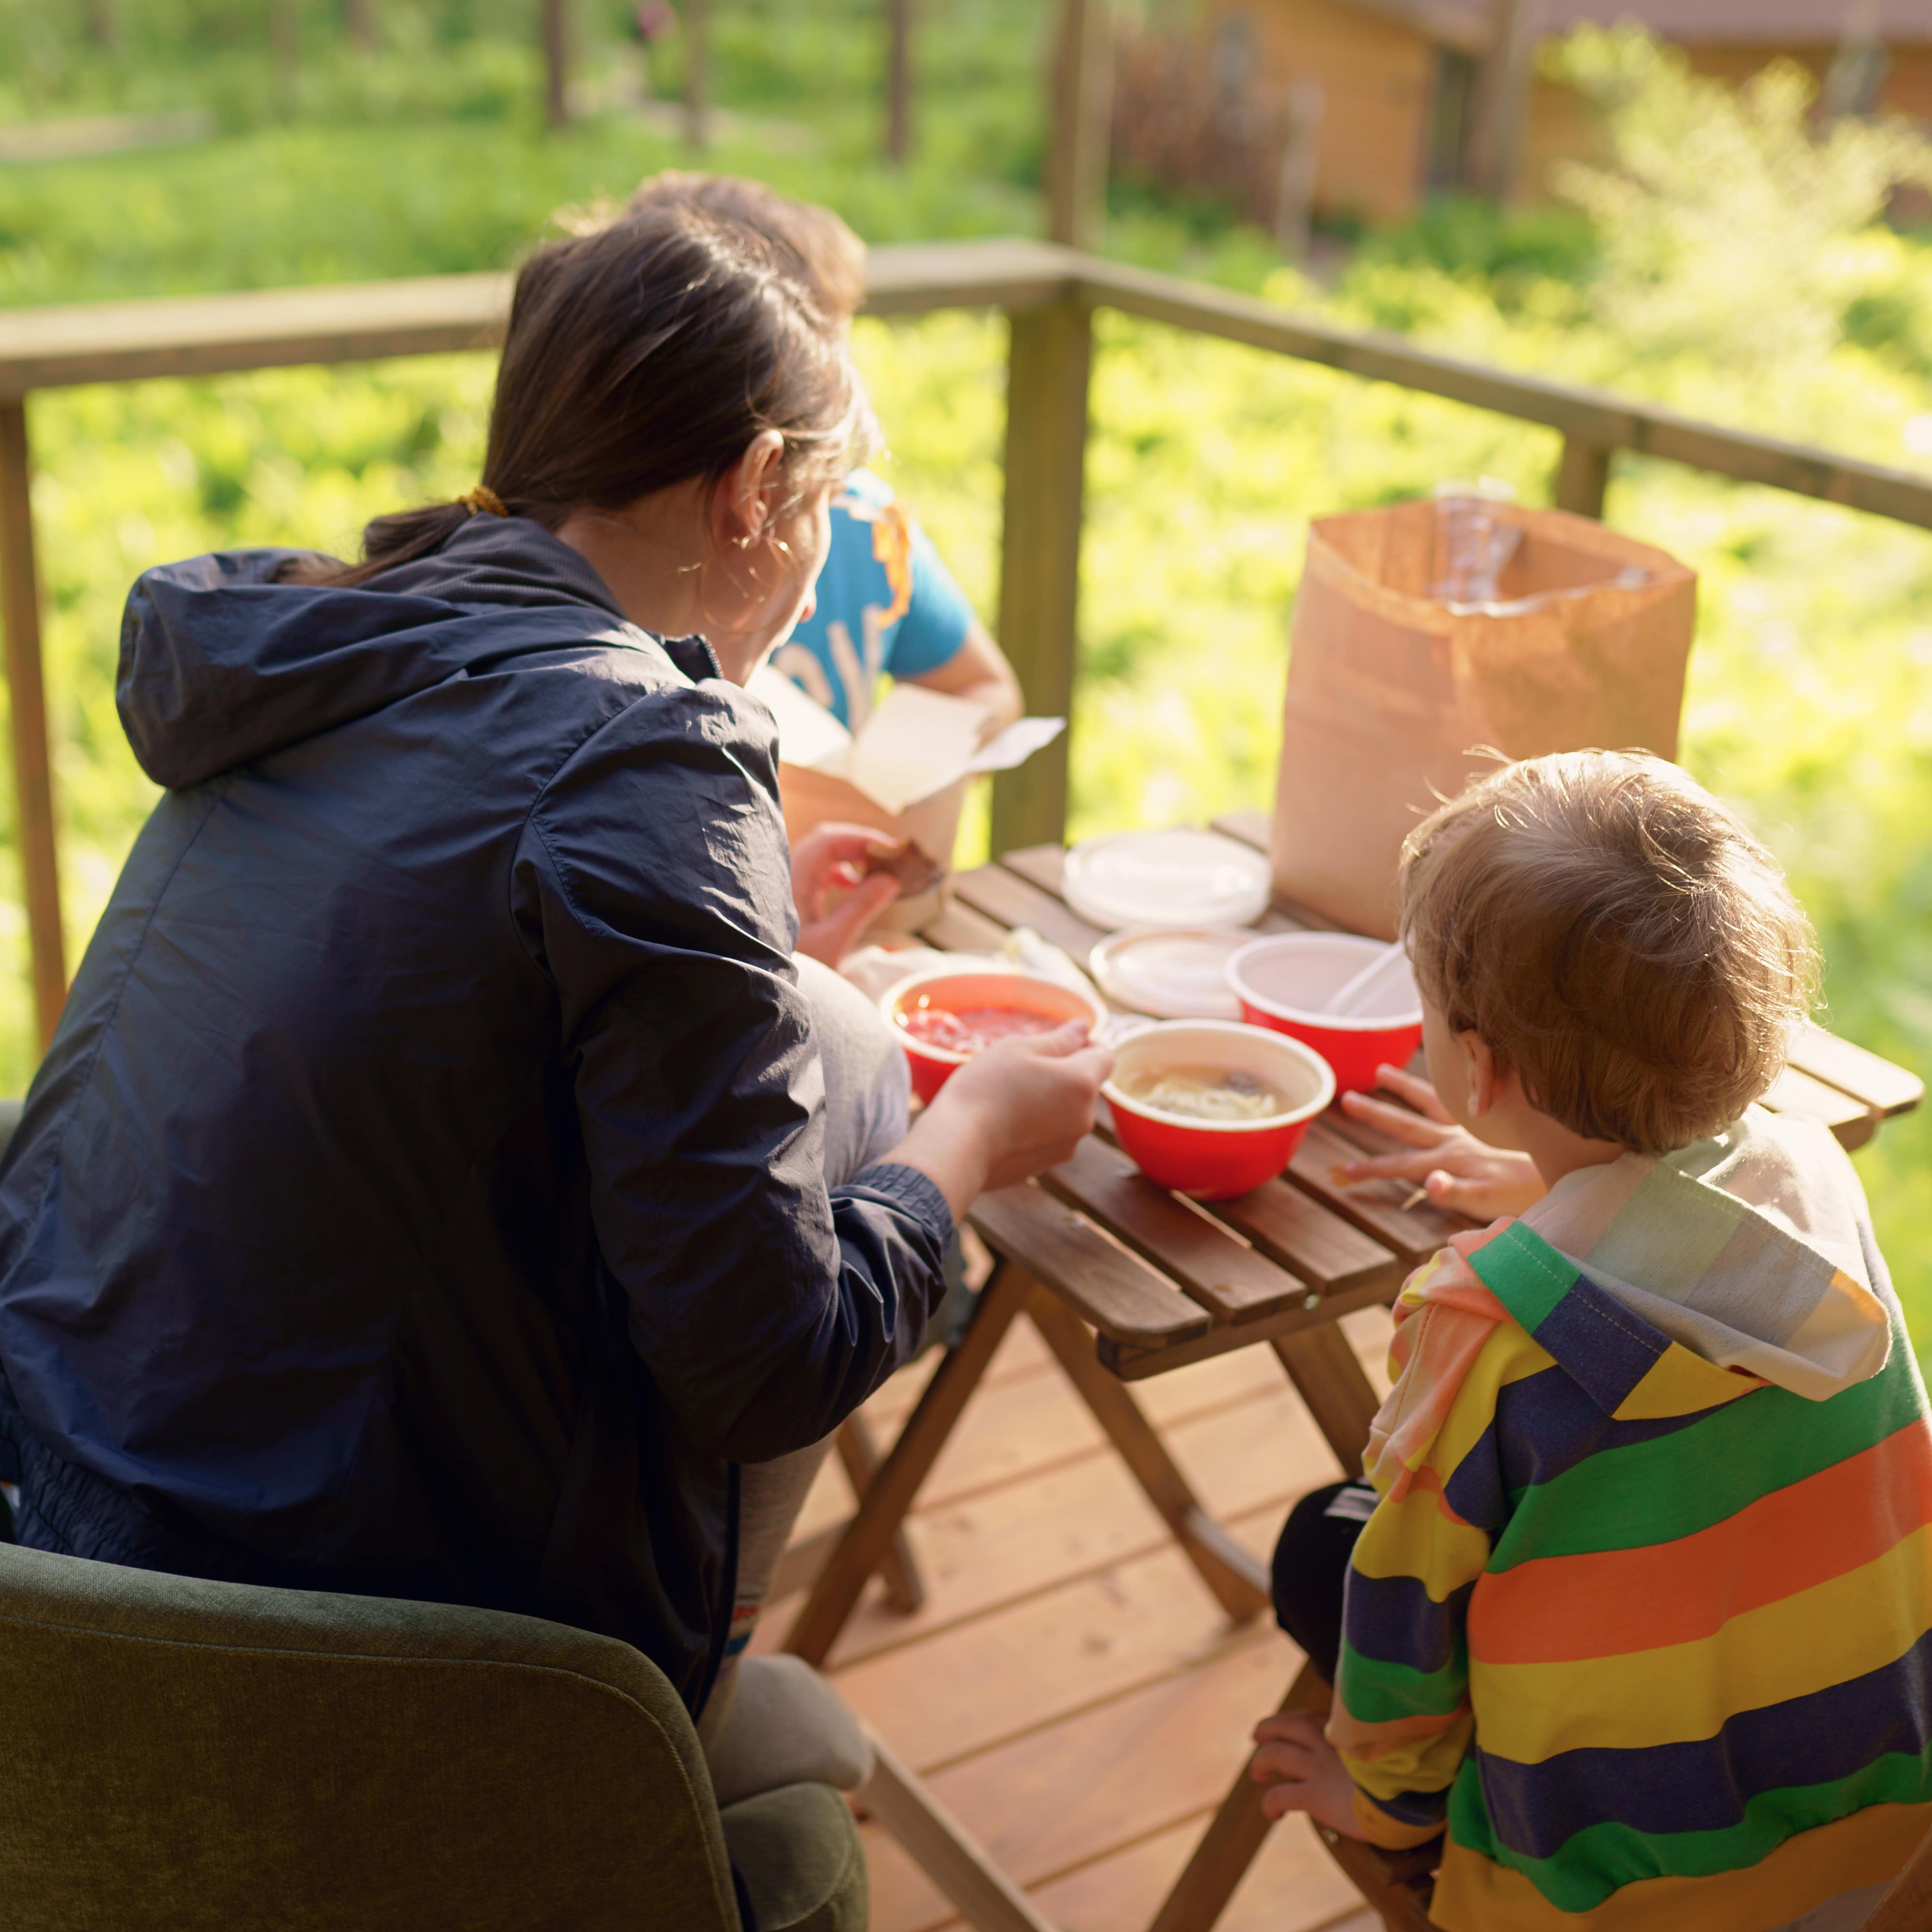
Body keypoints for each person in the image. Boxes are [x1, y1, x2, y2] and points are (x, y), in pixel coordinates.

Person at [0, 208, 1110, 1751]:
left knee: (796, 1024)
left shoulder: (331, 642)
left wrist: (730, 935)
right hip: (329, 1669)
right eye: (828, 507)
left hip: (56, 1555)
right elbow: (764, 1362)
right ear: (748, 497)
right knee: (854, 1057)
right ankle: (670, 1725)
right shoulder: (648, 745)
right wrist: (972, 1133)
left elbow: (428, 998)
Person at [1250, 752, 1932, 1932]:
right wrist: (1552, 1195)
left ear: (1479, 1065)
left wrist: (1380, 1803)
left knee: (1326, 1548)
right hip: (1876, 1844)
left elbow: (1407, 1607)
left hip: (1608, 1894)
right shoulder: (1812, 1176)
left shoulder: (1485, 1324)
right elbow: (1686, 1241)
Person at [625, 172, 1023, 741]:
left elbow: (987, 690)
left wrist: (894, 771)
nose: (838, 390)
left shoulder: (866, 525)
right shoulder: (640, 554)